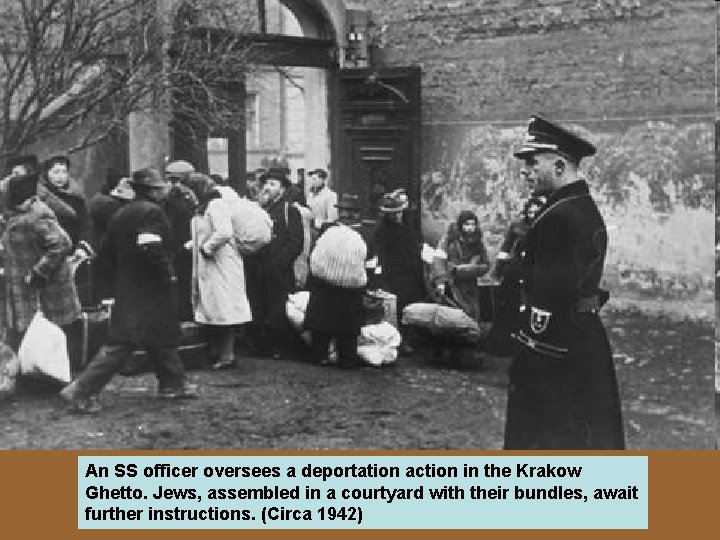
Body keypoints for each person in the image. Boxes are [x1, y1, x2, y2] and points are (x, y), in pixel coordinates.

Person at [503, 115, 624, 450]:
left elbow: (553, 294)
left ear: (559, 165)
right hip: (579, 339)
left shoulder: (562, 218)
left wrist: (531, 348)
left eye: (531, 163)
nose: (525, 172)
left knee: (552, 439)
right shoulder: (573, 207)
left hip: (555, 349)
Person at [60, 168, 198, 413]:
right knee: (123, 343)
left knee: (160, 335)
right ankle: (81, 389)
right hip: (150, 287)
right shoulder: (152, 212)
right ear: (153, 191)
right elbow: (150, 246)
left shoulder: (121, 213)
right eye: (162, 186)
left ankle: (173, 383)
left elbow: (106, 253)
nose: (165, 189)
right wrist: (169, 273)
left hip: (130, 286)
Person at [0, 172, 82, 368]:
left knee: (48, 330)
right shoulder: (15, 215)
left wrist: (39, 272)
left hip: (44, 286)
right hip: (22, 283)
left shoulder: (37, 215)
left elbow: (62, 243)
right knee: (23, 329)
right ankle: (23, 371)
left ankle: (52, 372)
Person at [182, 173, 252, 370]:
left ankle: (227, 354)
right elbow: (206, 232)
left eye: (189, 192)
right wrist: (192, 245)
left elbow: (224, 232)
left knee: (224, 310)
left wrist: (206, 248)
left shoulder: (216, 205)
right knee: (213, 309)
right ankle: (217, 352)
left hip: (222, 265)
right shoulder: (202, 209)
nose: (187, 196)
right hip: (210, 267)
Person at [304, 197, 368, 368]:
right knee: (329, 325)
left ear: (357, 214)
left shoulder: (365, 233)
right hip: (336, 286)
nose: (345, 215)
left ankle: (343, 358)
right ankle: (326, 356)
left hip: (338, 286)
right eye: (343, 211)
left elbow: (370, 261)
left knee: (340, 326)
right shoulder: (328, 228)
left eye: (350, 211)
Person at [251, 169, 303, 359]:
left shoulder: (290, 211)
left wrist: (279, 263)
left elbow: (296, 242)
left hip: (278, 270)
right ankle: (260, 345)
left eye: (273, 184)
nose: (267, 187)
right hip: (257, 267)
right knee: (258, 305)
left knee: (278, 309)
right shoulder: (258, 209)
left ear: (282, 190)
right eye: (266, 184)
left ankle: (279, 346)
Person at [373, 188, 425, 355]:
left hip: (412, 272)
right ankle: (401, 339)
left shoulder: (408, 224)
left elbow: (415, 242)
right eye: (392, 214)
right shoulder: (382, 230)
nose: (396, 216)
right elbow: (381, 253)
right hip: (393, 274)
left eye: (398, 212)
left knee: (413, 303)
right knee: (397, 307)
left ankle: (413, 336)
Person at [162, 160, 198, 321]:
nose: (173, 185)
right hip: (177, 247)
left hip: (186, 247)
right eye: (171, 180)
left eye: (177, 181)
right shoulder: (170, 200)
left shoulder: (188, 199)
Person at [441, 210, 490, 321]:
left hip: (471, 284)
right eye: (467, 224)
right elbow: (446, 264)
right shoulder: (452, 243)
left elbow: (486, 265)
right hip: (455, 284)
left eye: (473, 224)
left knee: (473, 311)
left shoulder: (478, 243)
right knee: (460, 312)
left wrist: (473, 268)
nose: (470, 228)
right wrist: (461, 269)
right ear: (461, 225)